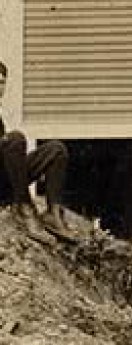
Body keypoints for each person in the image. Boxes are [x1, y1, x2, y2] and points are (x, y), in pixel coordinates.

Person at [0, 61, 73, 240]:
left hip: (5, 179)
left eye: (2, 82)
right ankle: (23, 208)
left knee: (56, 149)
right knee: (15, 139)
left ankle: (53, 213)